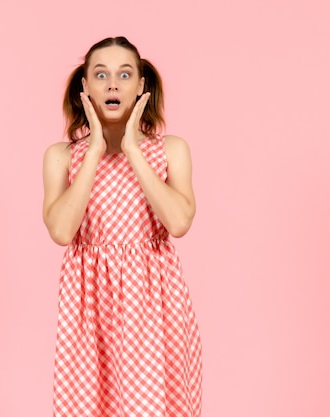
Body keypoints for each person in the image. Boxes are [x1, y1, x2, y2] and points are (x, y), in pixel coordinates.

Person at [42, 36, 202, 417]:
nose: (112, 84)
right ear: (85, 87)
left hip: (155, 309)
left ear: (141, 86)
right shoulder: (61, 156)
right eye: (101, 74)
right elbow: (63, 232)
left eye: (124, 74)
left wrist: (132, 149)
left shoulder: (171, 150)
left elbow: (178, 223)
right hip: (89, 312)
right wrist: (95, 149)